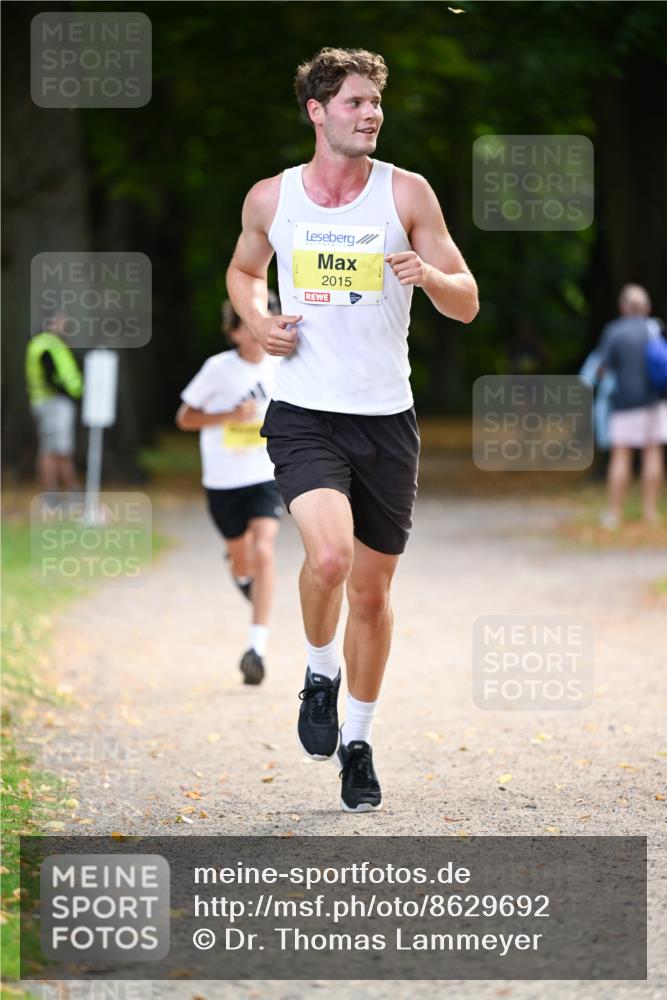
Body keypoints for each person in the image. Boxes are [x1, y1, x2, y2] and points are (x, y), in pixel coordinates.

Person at [226, 47, 478, 811]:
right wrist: (258, 320)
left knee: (371, 595)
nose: (370, 114)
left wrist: (429, 277)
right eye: (354, 103)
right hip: (305, 414)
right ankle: (317, 672)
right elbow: (243, 271)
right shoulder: (272, 199)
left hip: (386, 421)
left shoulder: (406, 193)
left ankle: (358, 744)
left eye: (375, 103)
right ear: (317, 111)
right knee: (329, 557)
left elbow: (466, 300)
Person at [176, 293, 284, 685]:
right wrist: (228, 416)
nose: (258, 331)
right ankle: (242, 575)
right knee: (243, 562)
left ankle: (257, 648)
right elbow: (185, 418)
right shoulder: (218, 369)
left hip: (266, 474)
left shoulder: (285, 365)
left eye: (266, 320)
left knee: (264, 550)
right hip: (223, 481)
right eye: (249, 323)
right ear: (234, 332)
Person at [595, 284, 666, 529]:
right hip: (655, 401)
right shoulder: (654, 329)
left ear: (623, 306)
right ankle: (650, 512)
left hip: (624, 403)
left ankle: (615, 514)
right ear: (646, 307)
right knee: (653, 453)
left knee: (621, 455)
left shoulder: (615, 331)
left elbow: (601, 368)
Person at [26, 312, 83, 495]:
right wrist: (67, 392)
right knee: (56, 448)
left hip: (49, 402)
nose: (64, 324)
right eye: (62, 320)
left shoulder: (47, 344)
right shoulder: (47, 345)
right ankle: (61, 489)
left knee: (53, 447)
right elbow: (50, 376)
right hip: (53, 403)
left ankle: (58, 490)